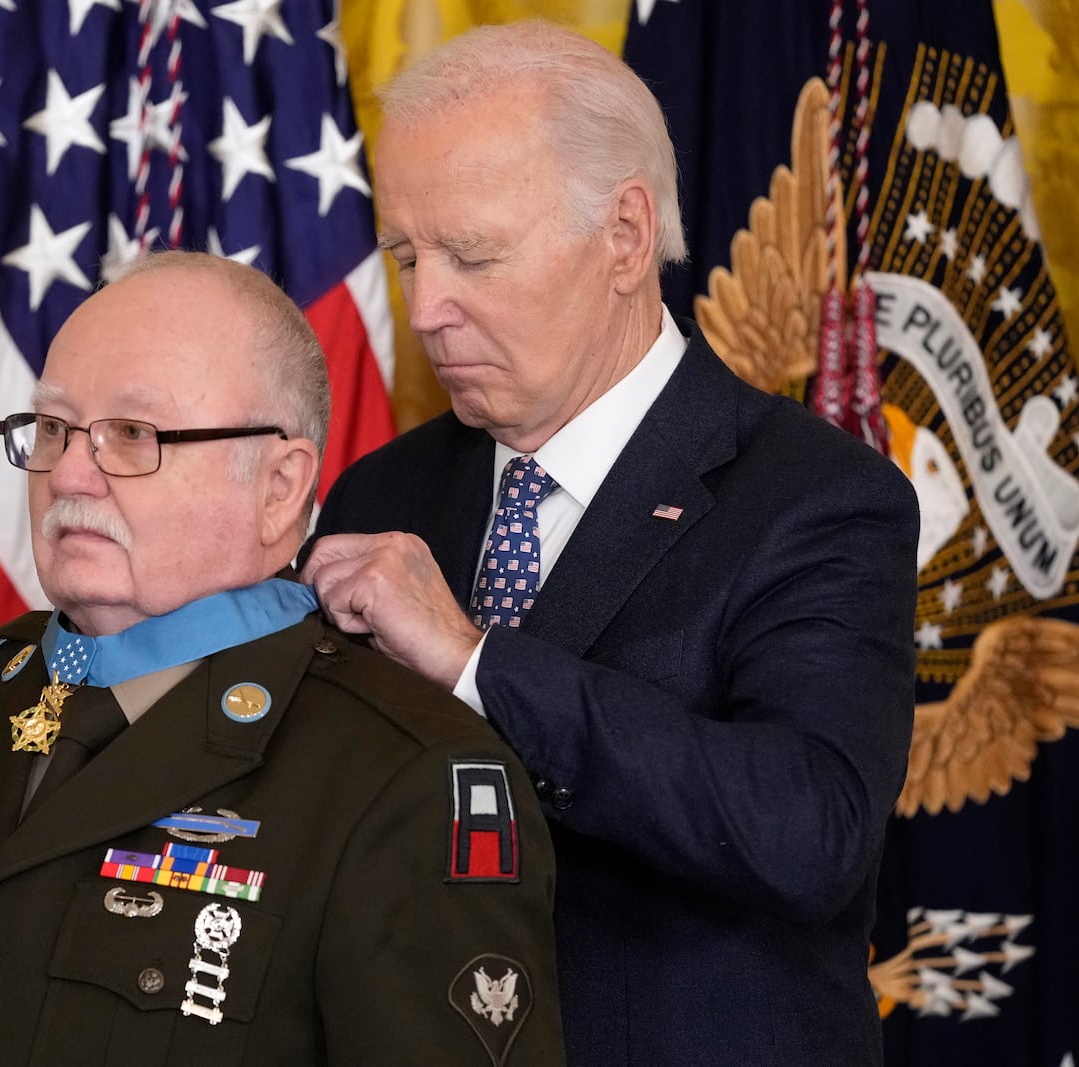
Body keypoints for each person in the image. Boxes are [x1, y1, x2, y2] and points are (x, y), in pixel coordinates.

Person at [302, 21, 919, 1067]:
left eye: (474, 255)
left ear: (626, 236)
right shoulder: (383, 493)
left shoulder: (815, 497)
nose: (426, 309)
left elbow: (809, 827)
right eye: (407, 257)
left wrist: (475, 663)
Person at [0, 250, 564, 1067]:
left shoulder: (404, 776)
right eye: (55, 428)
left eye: (133, 434)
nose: (69, 472)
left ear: (279, 488)